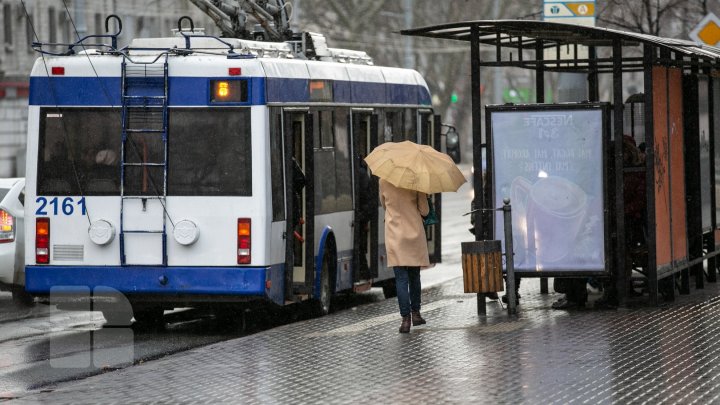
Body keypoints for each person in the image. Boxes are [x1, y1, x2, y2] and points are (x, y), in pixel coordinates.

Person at [380, 178, 429, 333]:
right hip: (413, 232)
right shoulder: (416, 180)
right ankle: (416, 313)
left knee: (400, 278)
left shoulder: (384, 180)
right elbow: (425, 211)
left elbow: (384, 205)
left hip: (394, 233)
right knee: (414, 276)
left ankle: (405, 320)